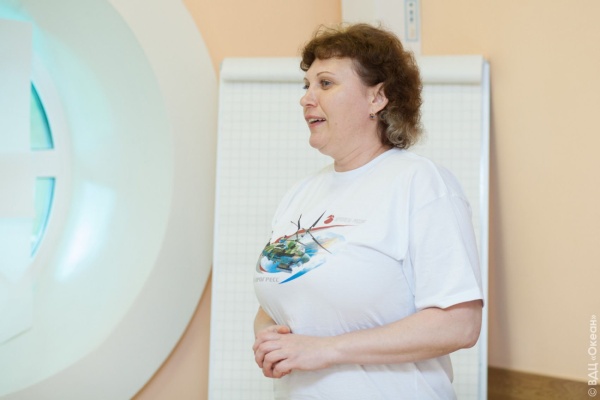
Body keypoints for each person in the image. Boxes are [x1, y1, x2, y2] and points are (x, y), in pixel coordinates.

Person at [252, 23, 483, 400]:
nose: (306, 98)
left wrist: (326, 350)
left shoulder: (420, 183)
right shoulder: (301, 194)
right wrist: (267, 336)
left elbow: (459, 324)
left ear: (377, 98)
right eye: (306, 85)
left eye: (326, 84)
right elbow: (280, 301)